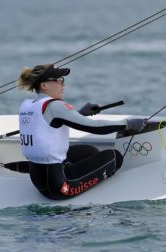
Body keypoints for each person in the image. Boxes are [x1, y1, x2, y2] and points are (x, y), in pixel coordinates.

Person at [17, 64, 146, 200]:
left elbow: (48, 124)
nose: (62, 84)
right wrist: (127, 124)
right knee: (115, 157)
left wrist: (79, 114)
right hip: (60, 187)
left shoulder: (28, 105)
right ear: (44, 85)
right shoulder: (54, 105)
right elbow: (94, 127)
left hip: (38, 180)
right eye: (58, 80)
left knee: (89, 151)